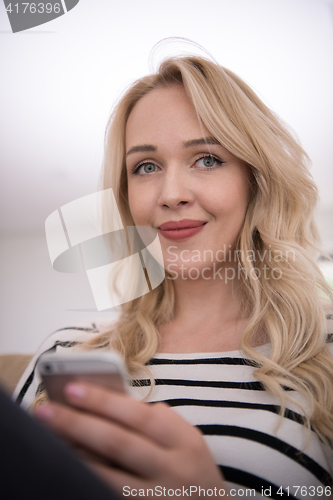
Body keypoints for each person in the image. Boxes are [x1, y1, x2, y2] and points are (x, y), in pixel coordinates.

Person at [14, 54, 333, 499]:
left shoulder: (325, 353)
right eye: (146, 167)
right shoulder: (63, 355)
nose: (171, 195)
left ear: (255, 181)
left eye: (206, 159)